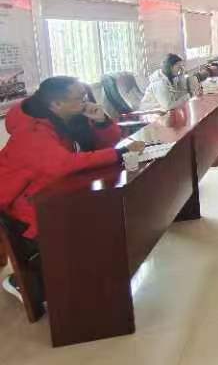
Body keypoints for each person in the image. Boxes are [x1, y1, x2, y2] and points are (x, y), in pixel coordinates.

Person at [0, 76, 145, 303]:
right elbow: (63, 164)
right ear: (56, 104)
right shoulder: (31, 131)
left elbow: (103, 146)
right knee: (80, 230)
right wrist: (119, 154)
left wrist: (101, 122)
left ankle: (94, 280)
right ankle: (25, 282)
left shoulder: (70, 118)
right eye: (79, 98)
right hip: (22, 204)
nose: (85, 101)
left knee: (101, 220)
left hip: (54, 192)